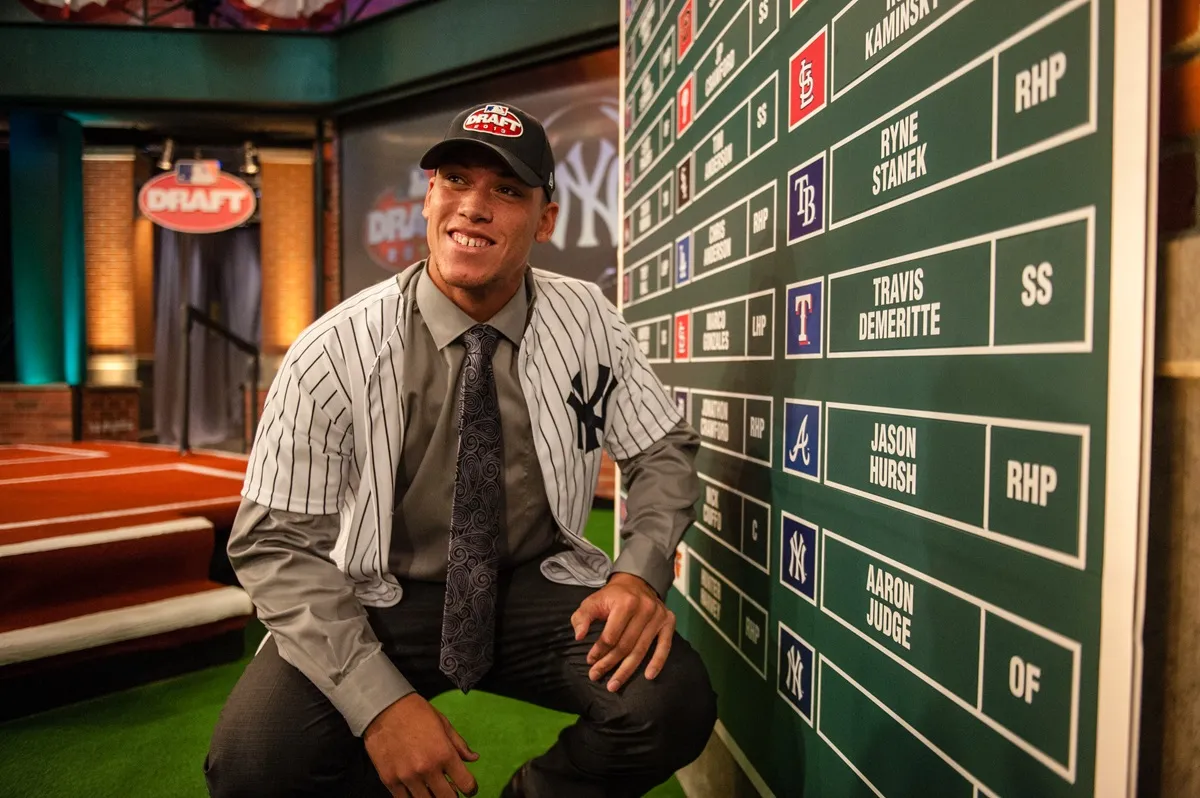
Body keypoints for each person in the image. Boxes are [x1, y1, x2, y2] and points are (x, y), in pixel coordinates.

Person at [204, 102, 716, 798]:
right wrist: (377, 702)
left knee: (668, 701)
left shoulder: (588, 318)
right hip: (380, 595)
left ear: (545, 220)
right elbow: (274, 545)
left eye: (507, 191)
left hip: (534, 586)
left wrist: (638, 574)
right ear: (429, 200)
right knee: (256, 763)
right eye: (455, 180)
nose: (474, 207)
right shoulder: (333, 349)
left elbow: (661, 450)